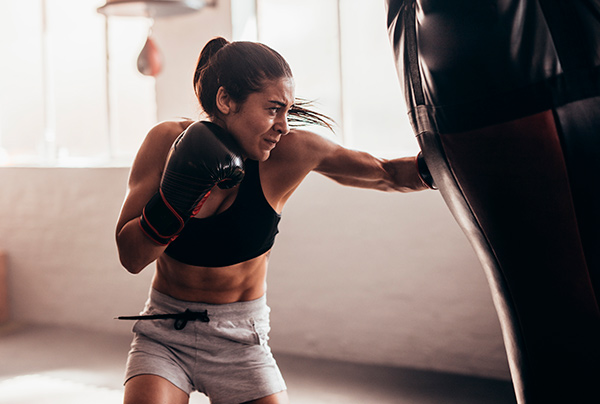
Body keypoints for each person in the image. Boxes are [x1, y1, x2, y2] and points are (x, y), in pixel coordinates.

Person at [115, 36, 435, 404]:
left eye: (287, 111)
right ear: (225, 101)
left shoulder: (294, 152)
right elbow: (131, 257)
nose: (283, 125)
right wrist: (176, 198)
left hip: (241, 340)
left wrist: (454, 158)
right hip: (165, 332)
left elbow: (387, 174)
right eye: (273, 109)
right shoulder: (165, 142)